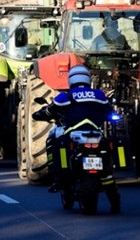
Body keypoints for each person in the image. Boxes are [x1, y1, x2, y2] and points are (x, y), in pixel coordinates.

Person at [32, 65, 121, 212]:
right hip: (96, 135)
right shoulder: (99, 95)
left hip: (73, 135)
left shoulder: (67, 96)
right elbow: (110, 112)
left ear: (71, 80)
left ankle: (59, 178)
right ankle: (115, 203)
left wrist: (40, 114)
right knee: (107, 172)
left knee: (55, 140)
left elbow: (50, 110)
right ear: (87, 79)